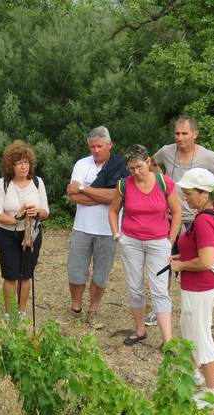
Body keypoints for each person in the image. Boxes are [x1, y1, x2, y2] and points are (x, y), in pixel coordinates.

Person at [149, 115, 214, 327]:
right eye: (177, 133)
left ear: (195, 134)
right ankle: (161, 308)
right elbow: (151, 164)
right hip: (170, 219)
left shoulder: (207, 156)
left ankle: (202, 309)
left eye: (185, 133)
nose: (180, 138)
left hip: (195, 221)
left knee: (202, 263)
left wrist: (213, 207)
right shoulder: (166, 151)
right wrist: (163, 182)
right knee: (165, 263)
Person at [107, 145, 181, 346]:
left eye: (139, 167)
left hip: (158, 241)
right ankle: (140, 330)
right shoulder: (124, 185)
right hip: (131, 241)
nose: (136, 172)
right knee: (135, 287)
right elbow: (113, 210)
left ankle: (168, 340)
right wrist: (117, 235)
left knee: (159, 288)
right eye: (131, 168)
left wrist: (170, 239)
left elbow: (176, 212)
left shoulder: (163, 182)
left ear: (148, 161)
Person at [168, 168, 214, 409]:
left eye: (189, 193)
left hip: (200, 288)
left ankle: (213, 394)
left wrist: (180, 264)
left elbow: (206, 260)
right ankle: (196, 376)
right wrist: (182, 256)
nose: (184, 197)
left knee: (201, 338)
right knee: (189, 331)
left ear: (204, 193)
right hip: (203, 286)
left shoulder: (203, 221)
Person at [65, 126, 129, 328]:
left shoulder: (121, 165)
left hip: (108, 229)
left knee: (101, 273)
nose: (96, 150)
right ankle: (76, 306)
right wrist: (105, 195)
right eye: (92, 146)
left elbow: (116, 196)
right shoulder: (81, 164)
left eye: (100, 146)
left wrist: (84, 189)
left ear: (110, 145)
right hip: (82, 228)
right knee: (76, 270)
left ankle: (93, 309)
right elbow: (74, 197)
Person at [0, 140, 49, 318]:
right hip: (7, 235)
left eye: (26, 162)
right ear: (11, 166)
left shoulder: (38, 183)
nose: (23, 166)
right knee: (10, 275)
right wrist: (17, 217)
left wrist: (35, 212)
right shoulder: (4, 183)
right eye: (18, 163)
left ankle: (22, 311)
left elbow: (46, 211)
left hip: (31, 234)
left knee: (25, 275)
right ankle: (9, 314)